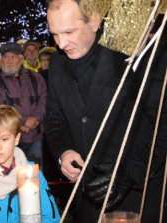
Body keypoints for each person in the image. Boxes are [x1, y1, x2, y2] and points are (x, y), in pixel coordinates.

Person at [43, 0, 167, 222]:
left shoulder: (137, 55)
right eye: (55, 34)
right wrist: (63, 151)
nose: (61, 44)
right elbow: (54, 118)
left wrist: (131, 171)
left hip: (137, 198)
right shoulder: (57, 64)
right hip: (86, 202)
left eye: (69, 31)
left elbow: (164, 123)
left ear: (94, 21)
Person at [0, 42, 48, 168]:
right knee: (11, 178)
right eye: (6, 57)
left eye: (13, 57)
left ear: (21, 59)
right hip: (9, 139)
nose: (9, 61)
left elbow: (44, 101)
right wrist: (24, 121)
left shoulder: (36, 77)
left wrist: (34, 120)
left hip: (35, 136)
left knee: (34, 177)